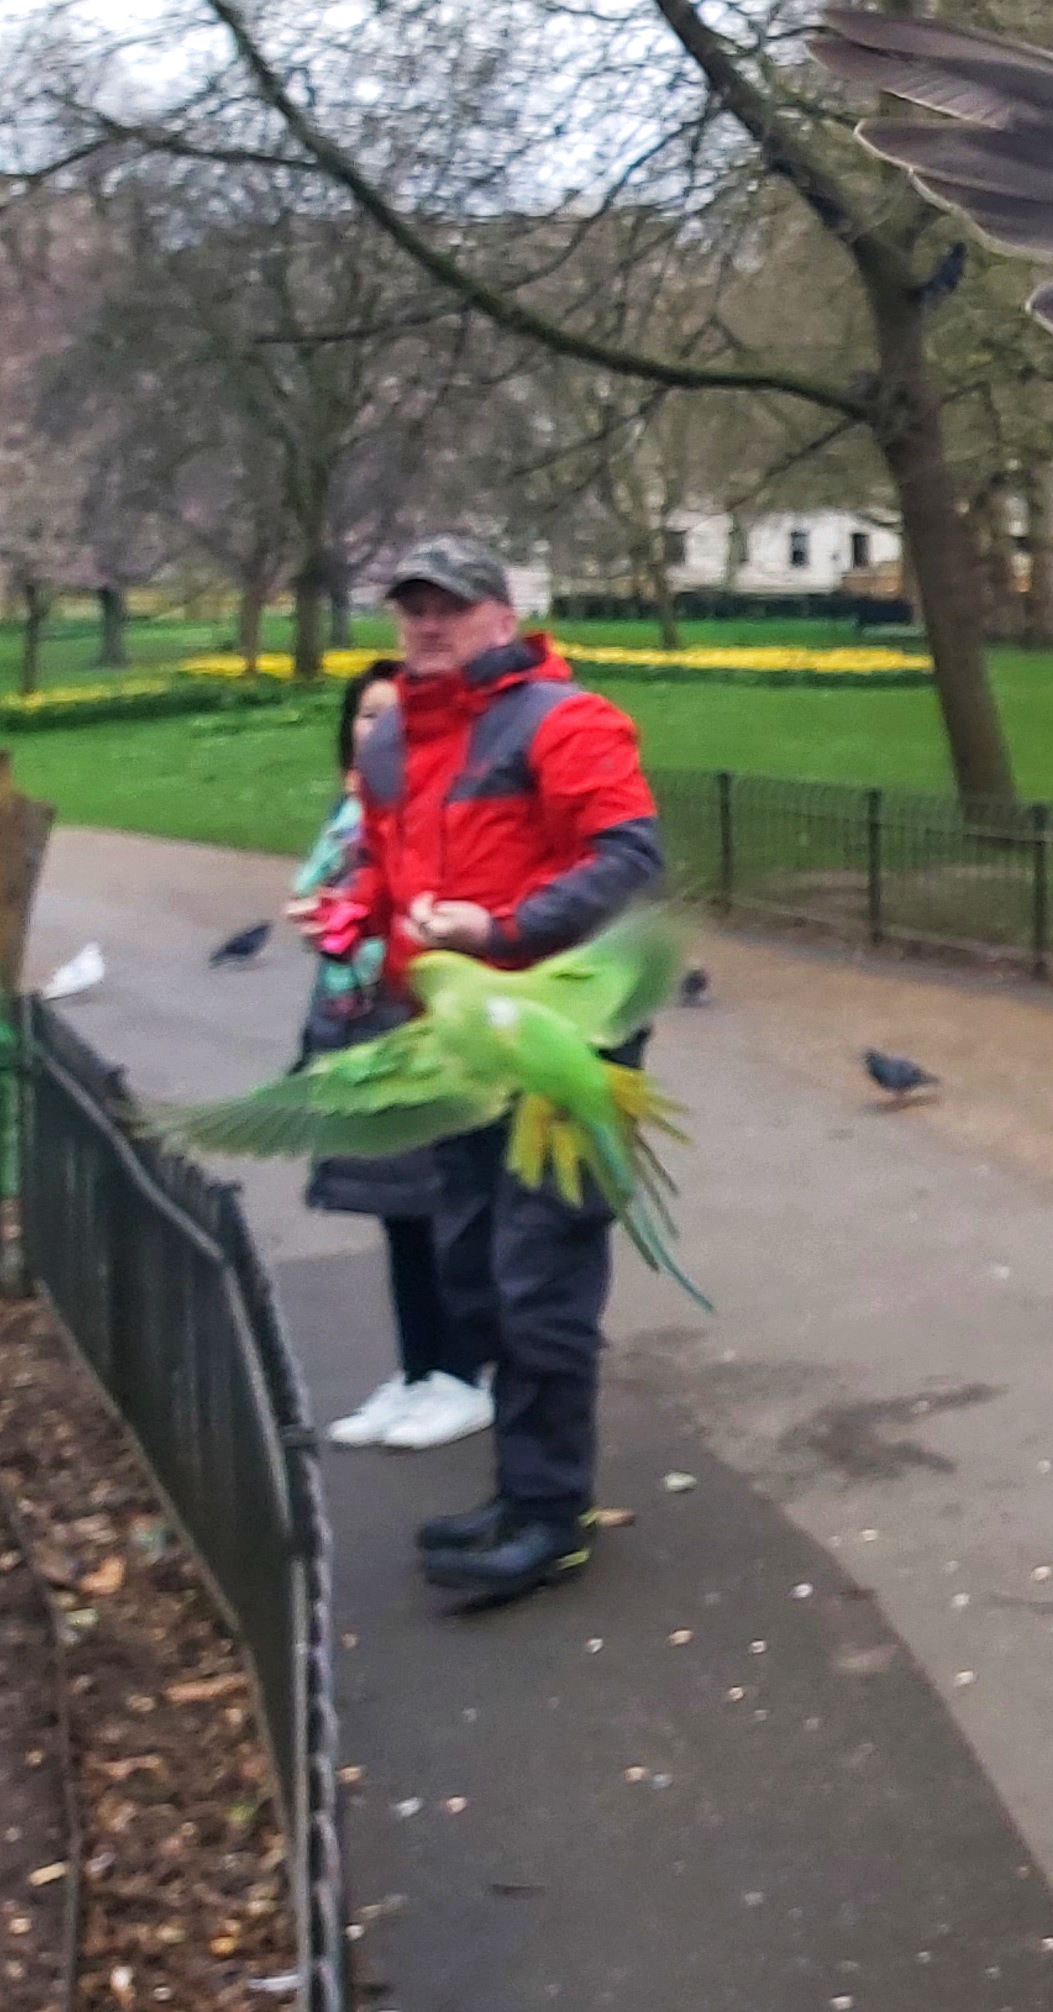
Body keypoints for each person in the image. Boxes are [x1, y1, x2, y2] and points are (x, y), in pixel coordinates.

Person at [344, 538, 664, 1605]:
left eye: (450, 605)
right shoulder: (393, 743)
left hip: (564, 1046)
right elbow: (385, 873)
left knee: (541, 1280)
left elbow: (629, 864)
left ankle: (548, 1512)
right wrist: (353, 925)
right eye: (412, 608)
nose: (427, 624)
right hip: (460, 1051)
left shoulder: (565, 723)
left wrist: (507, 926)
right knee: (473, 1270)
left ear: (500, 613)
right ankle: (517, 1488)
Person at [297, 661, 492, 1452]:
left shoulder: (426, 814)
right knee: (397, 1218)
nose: (378, 731)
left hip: (414, 1027)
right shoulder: (352, 811)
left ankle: (463, 1373)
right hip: (353, 1027)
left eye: (396, 718)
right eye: (367, 715)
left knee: (444, 1207)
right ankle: (416, 1372)